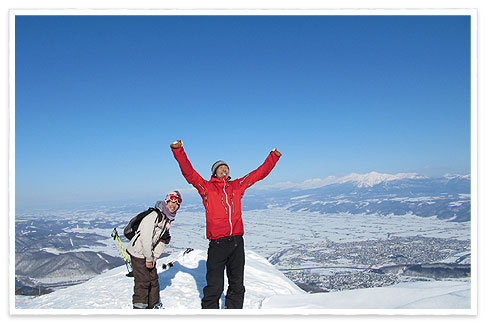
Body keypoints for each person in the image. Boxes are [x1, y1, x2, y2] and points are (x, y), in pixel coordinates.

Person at [170, 140, 281, 309]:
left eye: (226, 167)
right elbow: (189, 173)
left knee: (237, 285)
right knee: (214, 286)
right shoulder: (206, 188)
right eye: (221, 167)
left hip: (237, 242)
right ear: (214, 172)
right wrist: (178, 151)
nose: (225, 169)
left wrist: (273, 157)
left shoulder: (237, 186)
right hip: (218, 244)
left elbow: (257, 174)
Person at [126, 191, 182, 309]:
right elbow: (145, 238)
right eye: (172, 201)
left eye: (177, 203)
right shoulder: (154, 216)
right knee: (143, 281)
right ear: (166, 201)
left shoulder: (167, 219)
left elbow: (162, 241)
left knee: (153, 279)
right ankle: (140, 307)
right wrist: (149, 257)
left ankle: (154, 304)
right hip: (138, 252)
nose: (174, 205)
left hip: (148, 253)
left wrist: (154, 258)